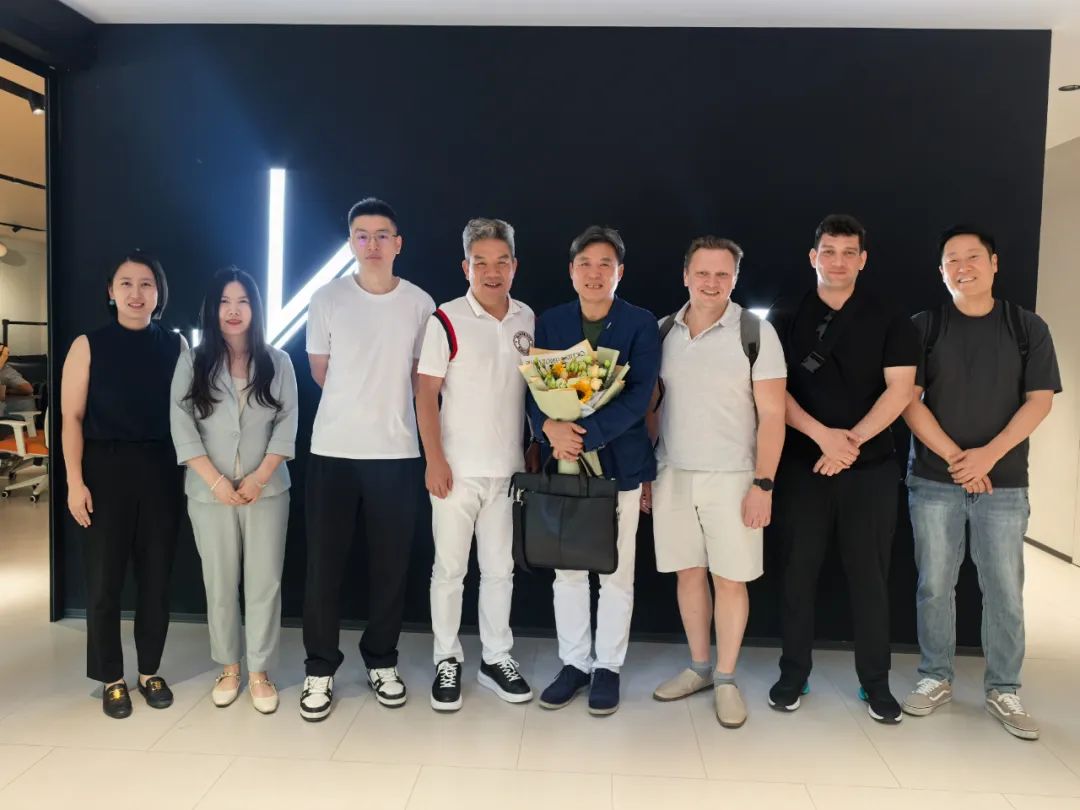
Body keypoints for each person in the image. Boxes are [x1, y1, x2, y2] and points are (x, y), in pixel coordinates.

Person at [901, 225, 1060, 740]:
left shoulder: (1025, 326)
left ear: (994, 264)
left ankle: (1004, 688)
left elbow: (1039, 401)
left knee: (1005, 590)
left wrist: (987, 456)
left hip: (1004, 482)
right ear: (941, 271)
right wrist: (956, 458)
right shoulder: (924, 327)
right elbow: (907, 401)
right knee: (934, 585)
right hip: (934, 479)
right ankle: (935, 676)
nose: (962, 267)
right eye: (952, 259)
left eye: (973, 257)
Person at [767, 214, 918, 724]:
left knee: (871, 578)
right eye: (828, 252)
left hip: (870, 468)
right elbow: (773, 393)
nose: (838, 262)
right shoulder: (785, 316)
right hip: (801, 465)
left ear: (863, 259)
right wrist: (823, 438)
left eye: (848, 252)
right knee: (796, 574)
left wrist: (849, 443)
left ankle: (875, 682)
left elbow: (901, 390)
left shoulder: (890, 317)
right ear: (813, 257)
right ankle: (793, 674)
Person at [300, 198, 435, 721]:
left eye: (382, 235)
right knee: (323, 567)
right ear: (351, 242)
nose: (372, 244)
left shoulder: (420, 303)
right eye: (362, 235)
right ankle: (319, 667)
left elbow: (422, 379)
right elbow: (321, 370)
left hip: (396, 452)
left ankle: (382, 660)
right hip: (333, 450)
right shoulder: (327, 298)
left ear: (398, 243)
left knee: (390, 567)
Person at [645, 237, 787, 728]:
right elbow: (652, 407)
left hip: (734, 477)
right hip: (673, 472)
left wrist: (763, 484)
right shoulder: (663, 331)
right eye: (702, 273)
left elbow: (773, 415)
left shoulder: (755, 333)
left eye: (722, 274)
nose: (711, 283)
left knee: (729, 579)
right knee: (688, 573)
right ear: (685, 275)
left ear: (735, 278)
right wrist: (648, 472)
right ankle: (699, 668)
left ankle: (726, 678)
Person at [527, 225, 660, 716]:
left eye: (605, 264)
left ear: (619, 272)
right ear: (571, 271)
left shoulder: (640, 323)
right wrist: (548, 428)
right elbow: (532, 387)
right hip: (564, 463)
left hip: (620, 463)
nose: (594, 273)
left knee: (617, 571)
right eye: (585, 264)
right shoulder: (552, 322)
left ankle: (608, 667)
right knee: (567, 570)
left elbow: (640, 395)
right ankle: (574, 663)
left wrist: (587, 434)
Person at [415, 218, 535, 712]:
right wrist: (435, 460)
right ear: (465, 267)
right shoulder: (445, 319)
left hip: (507, 471)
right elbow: (425, 393)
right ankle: (447, 658)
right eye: (480, 262)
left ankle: (495, 657)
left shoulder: (527, 318)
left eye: (501, 261)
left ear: (514, 266)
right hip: (456, 472)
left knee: (500, 570)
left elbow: (535, 390)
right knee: (449, 570)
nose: (492, 271)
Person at [60, 251, 185, 718]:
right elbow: (71, 418)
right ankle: (111, 677)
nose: (137, 293)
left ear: (159, 293)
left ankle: (150, 671)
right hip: (104, 470)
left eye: (146, 284)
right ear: (111, 292)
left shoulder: (176, 345)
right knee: (104, 581)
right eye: (126, 283)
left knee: (156, 579)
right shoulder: (87, 345)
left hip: (161, 469)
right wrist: (74, 482)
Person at [170, 268, 298, 715]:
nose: (233, 310)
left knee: (265, 582)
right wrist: (216, 481)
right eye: (225, 301)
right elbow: (182, 424)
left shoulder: (278, 361)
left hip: (268, 491)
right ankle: (229, 667)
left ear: (254, 308)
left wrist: (259, 477)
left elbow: (287, 424)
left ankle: (260, 671)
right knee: (220, 582)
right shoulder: (193, 361)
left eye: (242, 301)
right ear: (213, 309)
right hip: (210, 494)